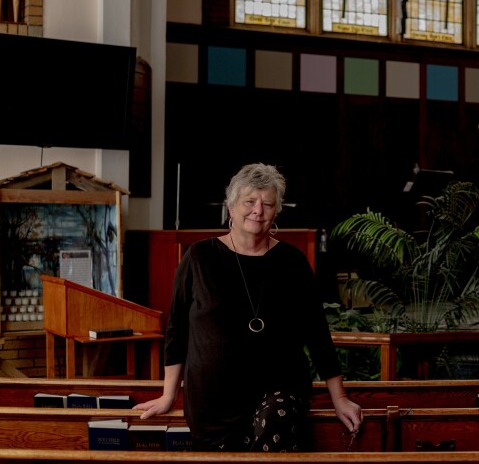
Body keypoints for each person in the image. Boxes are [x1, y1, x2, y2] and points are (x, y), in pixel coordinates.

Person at [133, 163, 362, 451]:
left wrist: (339, 398)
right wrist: (168, 396)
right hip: (212, 403)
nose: (258, 210)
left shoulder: (292, 261)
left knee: (276, 419)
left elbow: (317, 333)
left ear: (276, 212)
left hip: (278, 392)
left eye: (267, 204)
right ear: (231, 208)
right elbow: (177, 331)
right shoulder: (198, 257)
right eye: (249, 202)